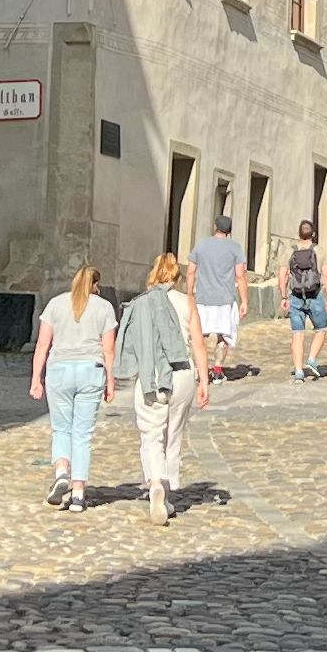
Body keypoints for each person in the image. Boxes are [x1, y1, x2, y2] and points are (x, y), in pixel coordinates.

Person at [30, 263, 115, 512]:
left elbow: (42, 344)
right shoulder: (104, 307)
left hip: (59, 370)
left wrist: (36, 378)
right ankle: (78, 494)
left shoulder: (55, 304)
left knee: (61, 429)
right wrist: (110, 380)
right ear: (95, 285)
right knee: (82, 434)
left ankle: (61, 472)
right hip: (90, 370)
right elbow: (108, 349)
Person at [124, 251, 200, 524]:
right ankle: (166, 494)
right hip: (182, 372)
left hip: (151, 374)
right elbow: (198, 342)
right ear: (177, 277)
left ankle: (156, 483)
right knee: (173, 435)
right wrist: (205, 378)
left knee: (151, 435)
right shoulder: (186, 302)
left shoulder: (141, 303)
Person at [189, 200, 246, 383]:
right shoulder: (235, 248)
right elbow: (240, 276)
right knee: (223, 335)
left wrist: (189, 294)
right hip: (225, 299)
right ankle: (218, 370)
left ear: (215, 227)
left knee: (200, 335)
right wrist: (244, 300)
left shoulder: (201, 245)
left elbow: (191, 271)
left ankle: (199, 369)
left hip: (203, 299)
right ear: (229, 231)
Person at [283, 218, 327, 380]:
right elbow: (326, 275)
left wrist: (283, 296)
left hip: (296, 296)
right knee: (321, 329)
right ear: (314, 234)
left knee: (297, 334)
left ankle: (298, 372)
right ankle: (311, 359)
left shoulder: (289, 251)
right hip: (315, 296)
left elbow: (282, 275)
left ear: (298, 234)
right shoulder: (320, 251)